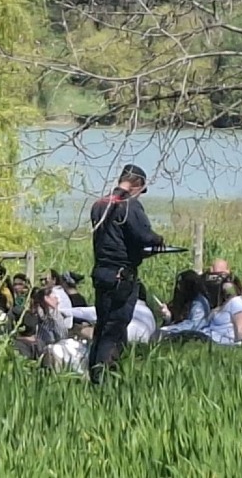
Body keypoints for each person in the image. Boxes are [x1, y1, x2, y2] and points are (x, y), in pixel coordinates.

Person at [86, 163, 165, 384]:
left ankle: (94, 374)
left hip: (101, 273)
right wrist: (159, 240)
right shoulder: (129, 205)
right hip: (122, 276)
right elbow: (144, 236)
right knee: (115, 330)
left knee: (101, 327)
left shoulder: (99, 204)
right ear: (137, 185)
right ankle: (105, 379)